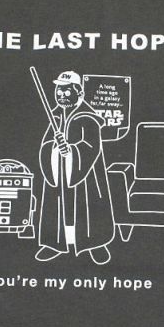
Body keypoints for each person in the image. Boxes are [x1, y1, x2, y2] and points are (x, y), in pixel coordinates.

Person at [36, 70, 115, 264]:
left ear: (79, 93)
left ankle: (95, 245)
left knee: (89, 210)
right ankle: (54, 244)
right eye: (58, 91)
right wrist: (55, 148)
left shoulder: (88, 118)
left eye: (66, 91)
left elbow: (91, 147)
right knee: (57, 208)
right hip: (59, 175)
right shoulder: (55, 116)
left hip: (86, 177)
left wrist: (71, 151)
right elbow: (46, 145)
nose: (61, 95)